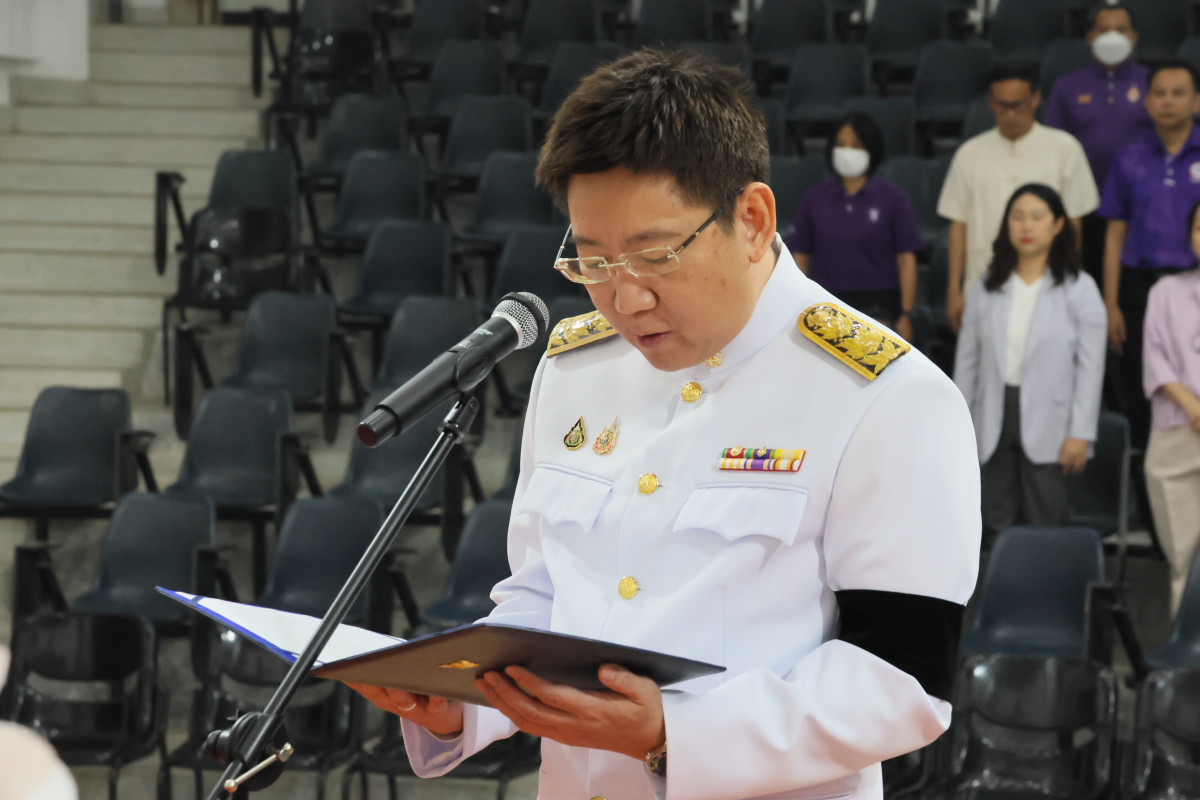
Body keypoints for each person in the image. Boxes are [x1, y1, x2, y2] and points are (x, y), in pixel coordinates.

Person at [348, 49, 981, 800]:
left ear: (752, 220)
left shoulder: (885, 394)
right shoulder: (577, 368)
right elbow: (546, 593)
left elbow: (901, 681)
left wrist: (673, 735)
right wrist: (462, 701)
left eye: (653, 257)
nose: (626, 300)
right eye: (592, 262)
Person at [954, 184, 1107, 545]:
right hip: (992, 415)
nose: (1027, 226)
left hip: (1054, 421)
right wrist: (958, 425)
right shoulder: (987, 286)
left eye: (1038, 217)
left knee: (1047, 520)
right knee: (993, 522)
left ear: (1058, 225)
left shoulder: (1080, 288)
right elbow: (967, 362)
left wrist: (1080, 432)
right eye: (1018, 217)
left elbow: (1090, 368)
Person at [938, 62, 1099, 332]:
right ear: (990, 102)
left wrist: (1068, 280)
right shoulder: (970, 153)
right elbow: (958, 225)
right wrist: (954, 289)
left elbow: (1074, 224)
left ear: (1035, 99)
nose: (1010, 114)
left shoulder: (1064, 148)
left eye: (1018, 105)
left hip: (1049, 284)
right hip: (983, 281)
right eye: (1002, 106)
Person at [1099, 59, 1200, 454]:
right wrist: (1111, 304)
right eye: (1159, 93)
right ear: (1147, 100)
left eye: (1178, 93)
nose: (1168, 101)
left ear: (1196, 100)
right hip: (1140, 289)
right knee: (1143, 388)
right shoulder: (1129, 158)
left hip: (1195, 284)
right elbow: (1115, 233)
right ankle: (1148, 484)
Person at [786, 111, 924, 342]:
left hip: (879, 306)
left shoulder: (893, 198)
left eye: (856, 145)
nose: (847, 151)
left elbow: (906, 260)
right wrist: (797, 305)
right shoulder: (815, 198)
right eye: (841, 144)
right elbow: (801, 256)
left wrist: (906, 314)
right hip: (825, 304)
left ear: (871, 149)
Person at [1043, 3, 1151, 287]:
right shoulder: (1067, 86)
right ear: (1090, 37)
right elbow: (1053, 146)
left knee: (1136, 287)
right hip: (1084, 206)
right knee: (1086, 281)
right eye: (1104, 30)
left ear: (1134, 36)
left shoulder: (1153, 84)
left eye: (1121, 30)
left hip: (1140, 204)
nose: (1112, 36)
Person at [1143, 197, 1200, 612]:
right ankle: (1189, 642)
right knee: (1185, 556)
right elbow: (1156, 360)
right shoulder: (1166, 291)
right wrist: (1195, 409)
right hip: (1178, 431)